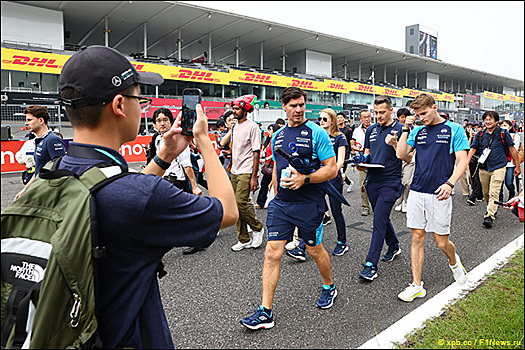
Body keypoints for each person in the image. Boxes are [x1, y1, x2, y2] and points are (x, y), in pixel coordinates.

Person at [55, 45, 237, 347]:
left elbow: (113, 192)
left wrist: (163, 156)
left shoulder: (52, 171)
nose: (142, 107)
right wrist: (204, 140)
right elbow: (227, 211)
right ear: (118, 105)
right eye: (139, 98)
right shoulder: (142, 196)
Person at [240, 87, 339, 330]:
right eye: (293, 105)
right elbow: (276, 167)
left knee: (315, 250)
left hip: (309, 203)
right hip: (281, 204)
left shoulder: (317, 133)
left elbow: (332, 169)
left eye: (302, 104)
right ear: (283, 107)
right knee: (272, 253)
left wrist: (305, 179)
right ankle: (265, 312)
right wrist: (274, 194)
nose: (298, 109)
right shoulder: (278, 135)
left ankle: (329, 285)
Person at [396, 93, 470, 302]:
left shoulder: (454, 129)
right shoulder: (417, 130)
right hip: (417, 191)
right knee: (417, 237)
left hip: (440, 192)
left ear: (435, 107)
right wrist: (405, 128)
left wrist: (450, 183)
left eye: (424, 113)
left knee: (441, 242)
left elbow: (462, 162)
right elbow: (402, 154)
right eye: (418, 115)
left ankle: (454, 262)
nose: (421, 118)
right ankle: (417, 285)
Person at [356, 96, 405, 281]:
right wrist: (362, 164)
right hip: (372, 181)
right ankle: (393, 245)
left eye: (382, 112)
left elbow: (406, 156)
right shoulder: (371, 130)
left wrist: (394, 144)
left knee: (377, 221)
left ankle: (371, 264)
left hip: (390, 182)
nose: (378, 116)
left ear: (391, 110)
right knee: (381, 218)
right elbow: (367, 154)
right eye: (376, 113)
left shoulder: (401, 129)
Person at [220, 94, 265, 251]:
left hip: (246, 171)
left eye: (237, 109)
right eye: (233, 108)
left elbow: (256, 152)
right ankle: (243, 238)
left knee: (240, 202)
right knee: (236, 205)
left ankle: (258, 228)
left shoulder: (253, 127)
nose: (234, 111)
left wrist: (254, 176)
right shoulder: (235, 127)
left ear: (245, 110)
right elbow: (231, 146)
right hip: (234, 170)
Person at [468, 111, 521, 228]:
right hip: (483, 167)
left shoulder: (503, 133)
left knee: (494, 191)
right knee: (486, 193)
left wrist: (517, 166)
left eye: (490, 119)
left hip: (499, 166)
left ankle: (489, 215)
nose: (487, 121)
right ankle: (491, 208)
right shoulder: (480, 134)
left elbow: (513, 150)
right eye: (486, 119)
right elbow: (472, 150)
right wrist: (465, 165)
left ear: (496, 121)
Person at [15, 105, 66, 200]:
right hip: (40, 191)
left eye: (29, 120)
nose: (26, 123)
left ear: (41, 121)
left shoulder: (52, 140)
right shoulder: (39, 140)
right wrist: (25, 190)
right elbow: (38, 172)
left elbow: (60, 171)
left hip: (50, 195)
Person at [320, 109, 349, 255]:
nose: (321, 121)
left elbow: (340, 161)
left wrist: (329, 172)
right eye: (320, 118)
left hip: (333, 179)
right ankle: (305, 244)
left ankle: (342, 242)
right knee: (315, 210)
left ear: (332, 120)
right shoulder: (317, 136)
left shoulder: (340, 137)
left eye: (325, 119)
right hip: (318, 178)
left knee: (336, 211)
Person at [394, 108, 416, 213]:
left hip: (410, 159)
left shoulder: (414, 129)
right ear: (398, 118)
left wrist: (413, 153)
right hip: (397, 158)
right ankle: (399, 201)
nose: (404, 119)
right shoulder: (395, 129)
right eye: (402, 117)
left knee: (407, 182)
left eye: (406, 117)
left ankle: (406, 201)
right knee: (399, 182)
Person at [351, 109, 372, 216]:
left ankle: (377, 206)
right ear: (360, 119)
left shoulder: (376, 128)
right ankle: (365, 207)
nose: (367, 119)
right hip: (362, 161)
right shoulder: (357, 131)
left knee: (376, 185)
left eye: (368, 116)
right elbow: (352, 144)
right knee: (363, 185)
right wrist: (360, 150)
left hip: (375, 160)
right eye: (364, 117)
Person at [256, 123, 280, 209]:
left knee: (273, 185)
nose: (269, 131)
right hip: (268, 165)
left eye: (271, 129)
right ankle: (261, 202)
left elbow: (275, 154)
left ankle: (269, 203)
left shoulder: (276, 141)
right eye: (269, 129)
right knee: (264, 184)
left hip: (274, 166)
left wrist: (265, 159)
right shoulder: (269, 141)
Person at [499, 120, 521, 201]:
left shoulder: (515, 136)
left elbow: (513, 149)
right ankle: (499, 199)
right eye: (501, 125)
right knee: (499, 183)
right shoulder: (498, 135)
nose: (503, 127)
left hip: (510, 163)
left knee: (508, 183)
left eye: (505, 125)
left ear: (510, 127)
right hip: (499, 162)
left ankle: (512, 192)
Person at [466, 122, 484, 205]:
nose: (476, 129)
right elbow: (468, 147)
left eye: (478, 127)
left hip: (482, 159)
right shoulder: (472, 136)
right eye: (474, 128)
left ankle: (473, 197)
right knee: (473, 177)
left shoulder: (484, 135)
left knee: (477, 178)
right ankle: (479, 194)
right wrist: (471, 137)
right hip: (473, 159)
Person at [337, 111, 354, 193]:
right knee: (338, 171)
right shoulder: (335, 129)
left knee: (341, 171)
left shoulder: (348, 130)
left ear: (344, 119)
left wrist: (353, 152)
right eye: (338, 118)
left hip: (346, 153)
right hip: (336, 153)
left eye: (341, 117)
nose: (339, 119)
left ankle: (350, 183)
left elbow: (351, 141)